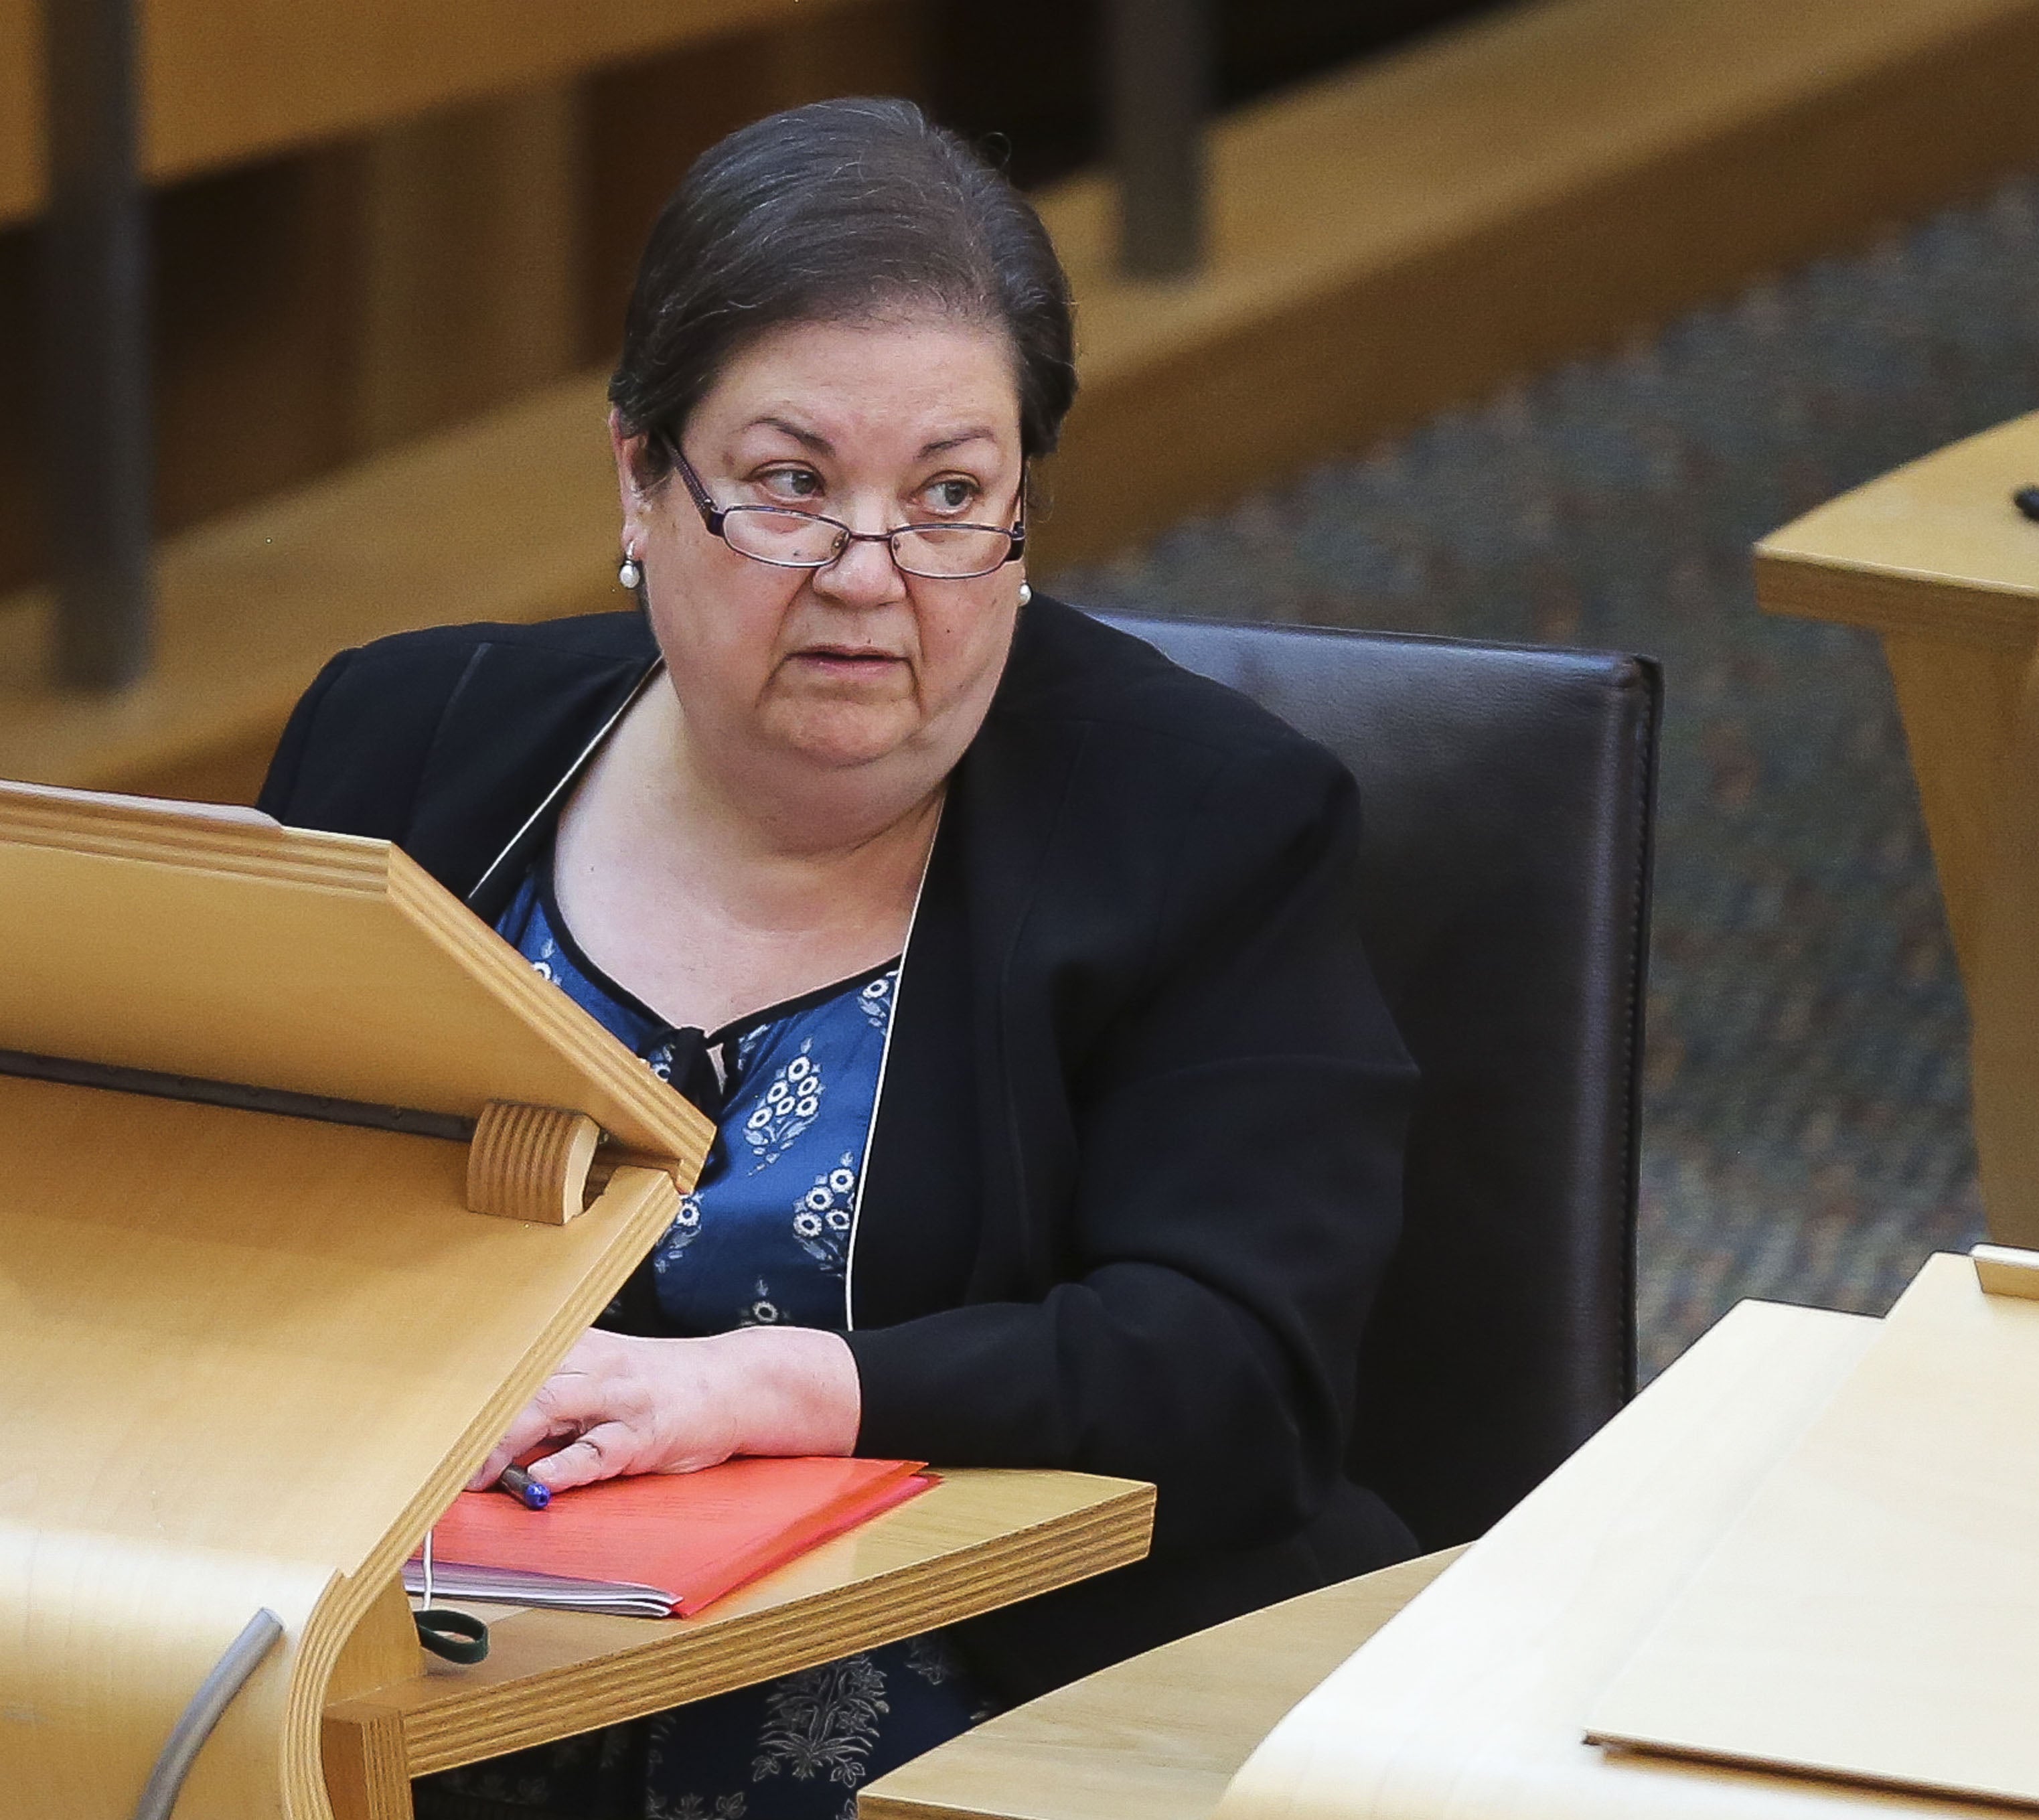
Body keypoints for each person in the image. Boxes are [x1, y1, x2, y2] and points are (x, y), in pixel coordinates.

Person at [260, 97, 1418, 1820]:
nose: (873, 577)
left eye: (951, 496)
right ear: (641, 478)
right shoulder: (405, 741)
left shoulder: (1205, 821)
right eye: (793, 487)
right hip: (413, 1666)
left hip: (979, 1683)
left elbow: (1239, 1372)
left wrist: (779, 1386)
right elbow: (207, 1206)